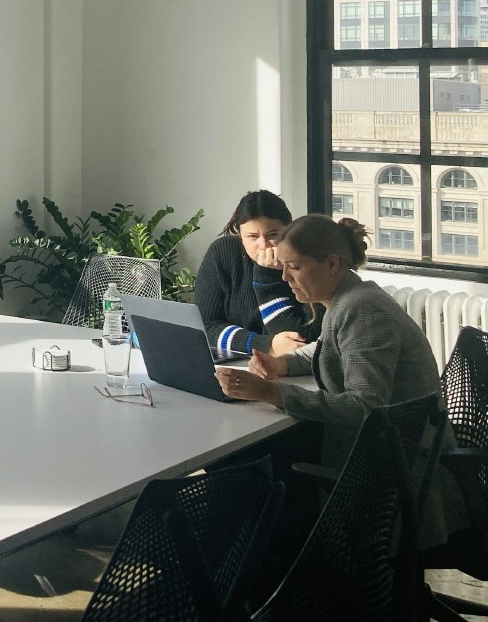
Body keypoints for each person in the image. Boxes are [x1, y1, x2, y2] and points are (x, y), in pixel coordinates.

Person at [214, 213, 466, 548]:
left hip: (400, 473)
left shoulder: (363, 311)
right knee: (261, 463)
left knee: (258, 472)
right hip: (395, 452)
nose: (285, 276)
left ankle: (284, 584)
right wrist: (281, 364)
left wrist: (270, 392)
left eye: (295, 266)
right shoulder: (351, 298)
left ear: (332, 264)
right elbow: (327, 348)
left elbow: (365, 406)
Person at [194, 190, 320, 359]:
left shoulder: (309, 261)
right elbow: (205, 325)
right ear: (240, 235)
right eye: (252, 237)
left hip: (296, 370)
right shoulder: (223, 253)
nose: (263, 245)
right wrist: (265, 345)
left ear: (289, 230)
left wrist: (266, 276)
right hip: (237, 366)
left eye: (273, 235)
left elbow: (301, 338)